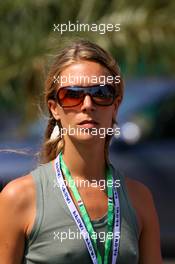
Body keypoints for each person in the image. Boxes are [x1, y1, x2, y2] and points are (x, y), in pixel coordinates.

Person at [0, 40, 162, 264]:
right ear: (55, 108)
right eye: (72, 95)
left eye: (101, 92)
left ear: (115, 106)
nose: (87, 104)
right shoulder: (18, 198)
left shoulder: (139, 198)